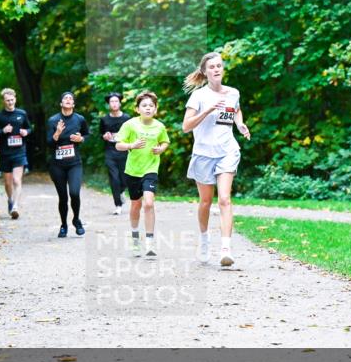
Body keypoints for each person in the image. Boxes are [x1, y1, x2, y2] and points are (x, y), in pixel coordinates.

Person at [181, 51, 251, 267]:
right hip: (203, 153)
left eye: (219, 66)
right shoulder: (199, 96)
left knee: (224, 199)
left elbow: (236, 110)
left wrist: (240, 124)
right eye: (212, 67)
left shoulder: (233, 92)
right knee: (205, 202)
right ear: (205, 71)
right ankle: (203, 240)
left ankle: (225, 249)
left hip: (227, 150)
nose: (216, 69)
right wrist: (207, 111)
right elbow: (185, 127)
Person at [115, 91, 169, 258]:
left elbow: (165, 141)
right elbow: (118, 145)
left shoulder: (159, 126)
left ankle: (150, 243)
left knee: (149, 203)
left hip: (151, 169)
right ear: (137, 109)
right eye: (144, 106)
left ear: (155, 109)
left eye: (151, 106)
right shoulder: (130, 125)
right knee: (136, 205)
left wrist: (161, 148)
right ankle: (135, 237)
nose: (147, 108)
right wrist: (132, 144)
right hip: (132, 171)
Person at [46, 91, 89, 237]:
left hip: (74, 164)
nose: (68, 100)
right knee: (63, 197)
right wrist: (57, 133)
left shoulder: (80, 119)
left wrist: (81, 139)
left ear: (74, 104)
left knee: (75, 193)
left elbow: (87, 135)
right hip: (57, 165)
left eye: (71, 98)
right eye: (65, 98)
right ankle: (63, 225)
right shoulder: (53, 120)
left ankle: (76, 220)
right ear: (61, 103)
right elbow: (48, 143)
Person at [0, 88, 31, 218]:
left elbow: (29, 128)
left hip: (19, 151)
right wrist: (3, 130)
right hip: (5, 153)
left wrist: (26, 132)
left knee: (17, 180)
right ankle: (10, 200)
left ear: (15, 99)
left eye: (12, 100)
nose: (10, 102)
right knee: (8, 183)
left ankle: (15, 206)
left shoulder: (22, 114)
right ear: (3, 101)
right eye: (7, 101)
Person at [99, 92, 131, 215]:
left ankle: (122, 191)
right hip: (110, 152)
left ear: (120, 103)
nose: (114, 103)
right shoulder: (104, 119)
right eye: (111, 101)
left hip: (124, 151)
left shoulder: (127, 118)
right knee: (114, 178)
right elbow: (101, 134)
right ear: (108, 104)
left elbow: (132, 134)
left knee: (124, 179)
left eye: (116, 101)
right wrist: (105, 136)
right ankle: (118, 205)